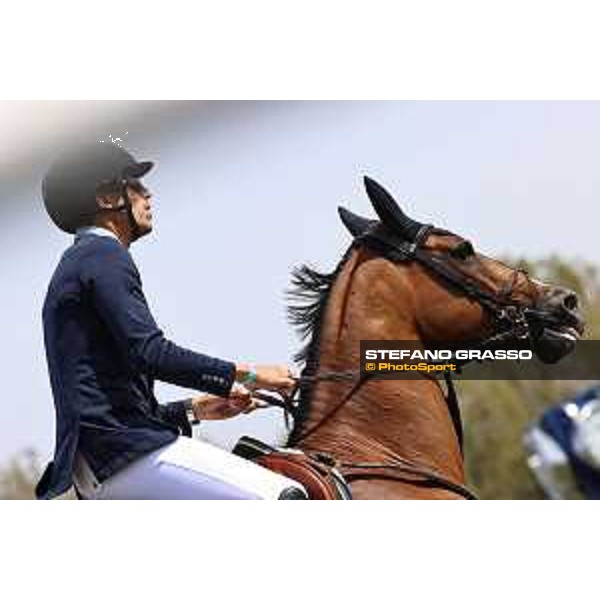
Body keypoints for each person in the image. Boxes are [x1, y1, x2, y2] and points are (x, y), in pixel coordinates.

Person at [36, 141, 305, 500]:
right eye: (136, 184)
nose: (148, 194)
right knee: (288, 497)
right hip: (121, 455)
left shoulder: (81, 261)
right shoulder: (104, 255)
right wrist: (251, 375)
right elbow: (151, 352)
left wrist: (197, 410)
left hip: (104, 460)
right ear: (105, 198)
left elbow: (112, 396)